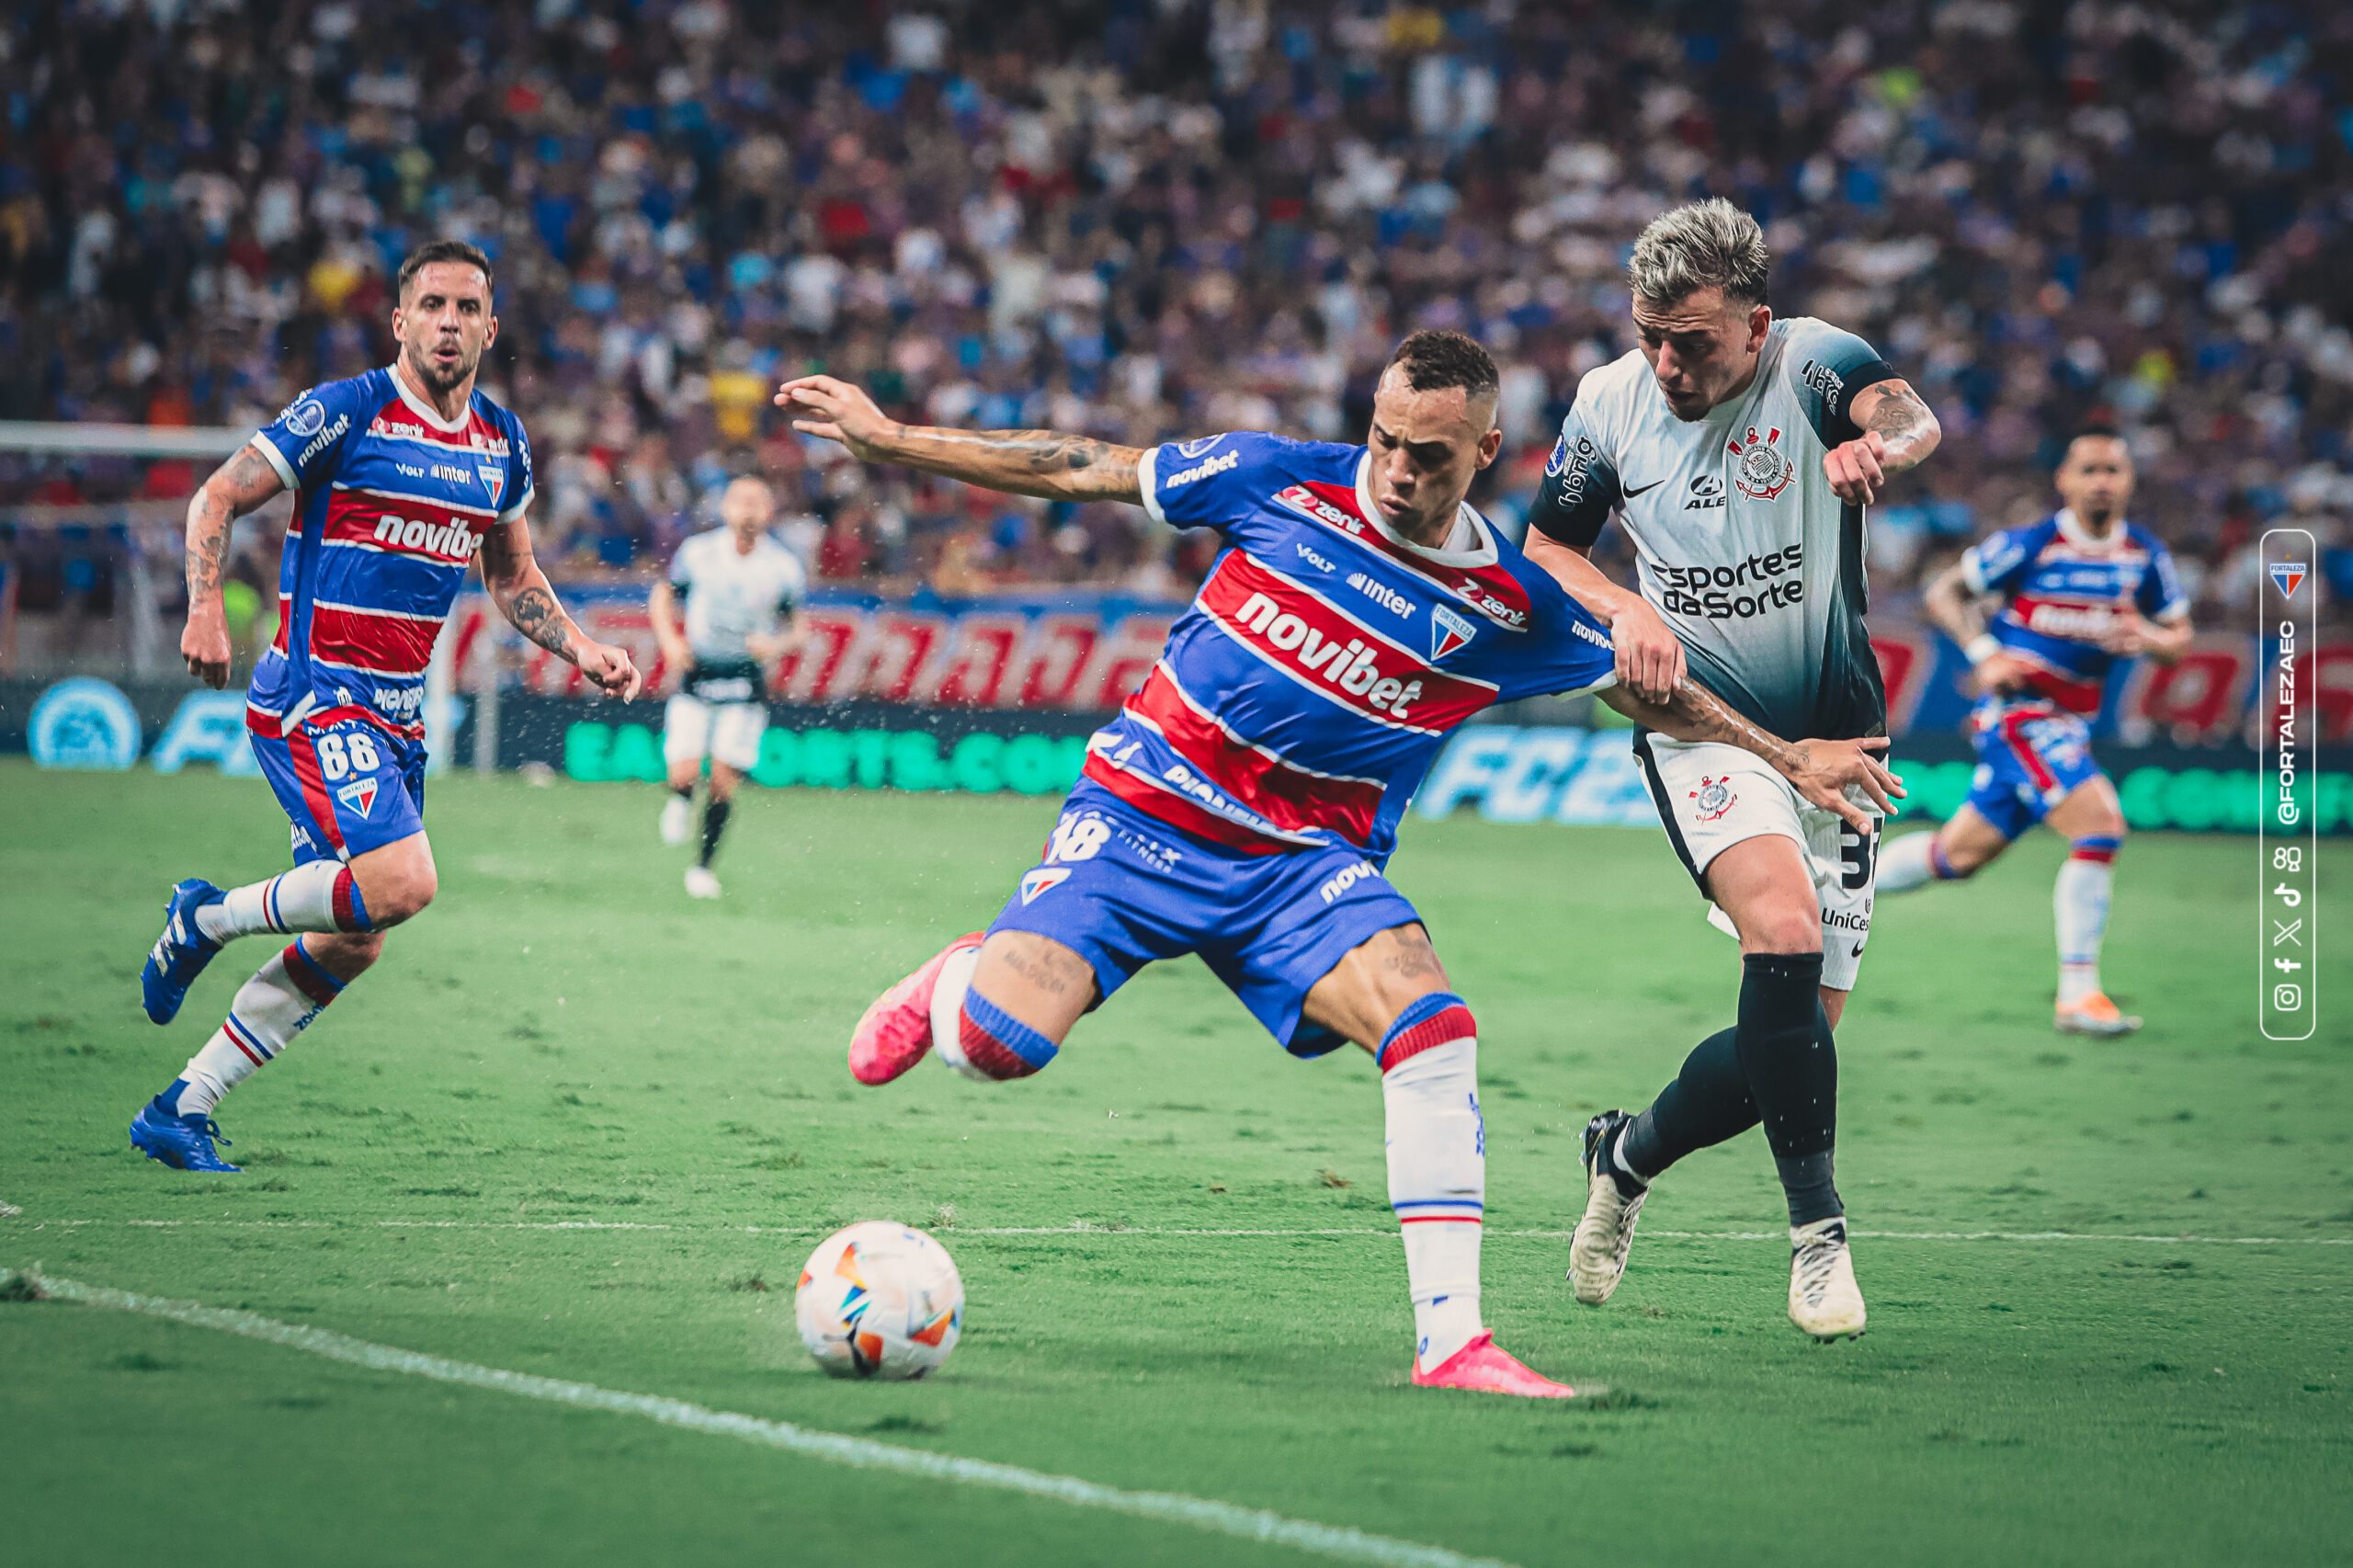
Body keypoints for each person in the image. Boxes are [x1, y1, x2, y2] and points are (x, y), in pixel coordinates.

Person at [777, 329, 1899, 1396]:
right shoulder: (1274, 479)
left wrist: (1783, 754)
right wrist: (889, 439)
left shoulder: (1511, 602)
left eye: (1431, 454)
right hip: (1141, 819)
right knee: (990, 1052)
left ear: (1481, 455)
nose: (1400, 470)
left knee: (1433, 1028)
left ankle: (1452, 1343)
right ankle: (957, 979)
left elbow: (1650, 689)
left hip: (1302, 866)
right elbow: (1083, 466)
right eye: (1385, 440)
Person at [1523, 199, 1942, 1341]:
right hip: (1700, 723)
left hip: (1838, 727)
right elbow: (1550, 544)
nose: (1666, 361)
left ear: (1755, 325)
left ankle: (1626, 1152)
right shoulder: (1609, 402)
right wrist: (1621, 608)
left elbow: (1909, 419)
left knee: (1794, 1043)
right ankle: (1818, 1240)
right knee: (1784, 936)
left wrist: (1879, 447)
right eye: (1649, 332)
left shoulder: (1813, 365)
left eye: (1693, 339)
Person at [133, 240, 642, 1172]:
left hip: (401, 715)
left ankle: (183, 1104)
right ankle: (204, 917)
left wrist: (584, 647)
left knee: (356, 936)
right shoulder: (346, 411)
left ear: (492, 327)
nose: (449, 322)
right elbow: (217, 496)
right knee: (406, 883)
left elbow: (512, 571)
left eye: (467, 308)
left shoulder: (501, 443)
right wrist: (206, 606)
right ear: (400, 320)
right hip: (317, 695)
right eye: (432, 305)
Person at [1877, 428, 2188, 1035]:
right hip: (2018, 714)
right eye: (2090, 470)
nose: (2102, 481)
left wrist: (2148, 639)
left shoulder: (2143, 555)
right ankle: (2078, 995)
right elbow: (1944, 593)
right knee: (2100, 826)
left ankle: (1817, 891)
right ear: (2065, 481)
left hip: (2069, 724)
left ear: (2128, 481)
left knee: (1955, 855)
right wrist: (1985, 650)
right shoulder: (2032, 544)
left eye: (2113, 471)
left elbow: (2178, 639)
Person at [652, 475, 805, 899]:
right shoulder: (699, 553)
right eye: (741, 500)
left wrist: (775, 645)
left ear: (769, 511)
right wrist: (670, 640)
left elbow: (798, 628)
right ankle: (680, 799)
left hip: (745, 678)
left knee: (723, 780)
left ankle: (702, 867)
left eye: (758, 501)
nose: (749, 508)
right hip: (699, 671)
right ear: (725, 509)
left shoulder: (783, 566)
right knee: (683, 772)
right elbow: (663, 596)